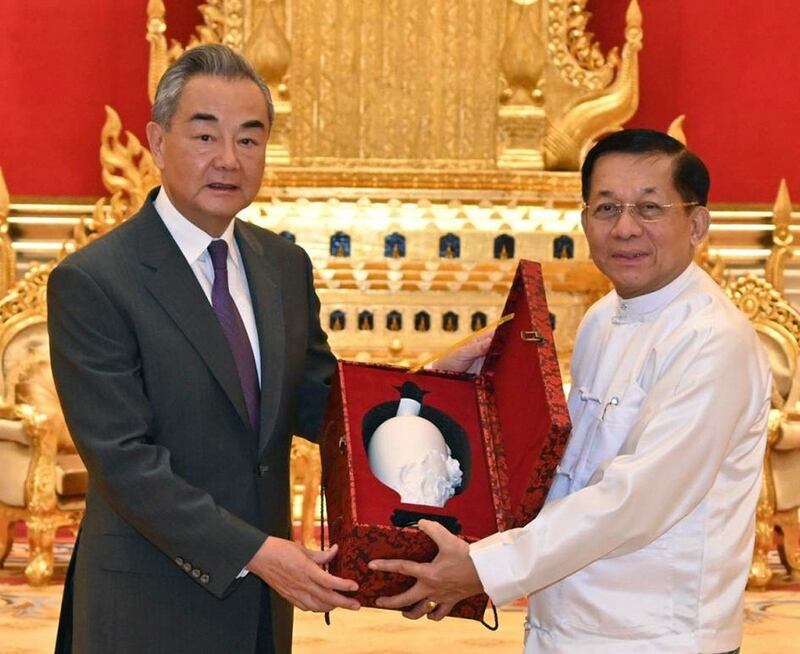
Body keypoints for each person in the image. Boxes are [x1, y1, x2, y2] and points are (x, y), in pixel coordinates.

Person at [370, 129, 771, 654]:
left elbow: (636, 501)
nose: (625, 228)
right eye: (607, 208)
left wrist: (485, 567)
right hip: (564, 625)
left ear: (696, 224)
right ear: (584, 221)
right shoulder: (603, 318)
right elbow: (567, 460)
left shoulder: (714, 342)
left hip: (656, 637)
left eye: (649, 209)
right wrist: (475, 404)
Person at [48, 44, 359, 654]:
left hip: (260, 616)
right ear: (158, 143)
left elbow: (323, 403)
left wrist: (427, 389)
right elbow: (124, 462)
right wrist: (255, 552)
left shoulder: (283, 265)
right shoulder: (95, 280)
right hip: (146, 603)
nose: (228, 159)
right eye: (204, 135)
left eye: (249, 139)